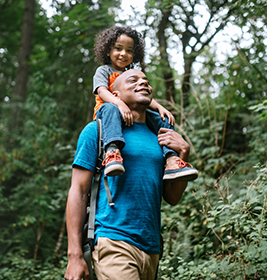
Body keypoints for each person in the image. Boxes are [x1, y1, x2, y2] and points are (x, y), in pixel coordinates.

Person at [64, 69, 198, 280]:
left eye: (146, 80)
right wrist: (74, 255)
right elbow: (78, 191)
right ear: (115, 95)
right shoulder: (96, 131)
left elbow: (172, 197)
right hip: (113, 240)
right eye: (133, 80)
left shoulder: (161, 137)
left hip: (152, 248)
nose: (143, 83)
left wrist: (183, 153)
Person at [92, 25, 198, 181]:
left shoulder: (132, 74)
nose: (124, 54)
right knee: (109, 107)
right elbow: (101, 91)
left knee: (163, 119)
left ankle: (171, 159)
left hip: (132, 114)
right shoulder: (104, 70)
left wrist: (160, 108)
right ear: (108, 51)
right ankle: (112, 152)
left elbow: (143, 97)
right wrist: (119, 103)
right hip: (109, 113)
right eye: (118, 49)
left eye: (129, 50)